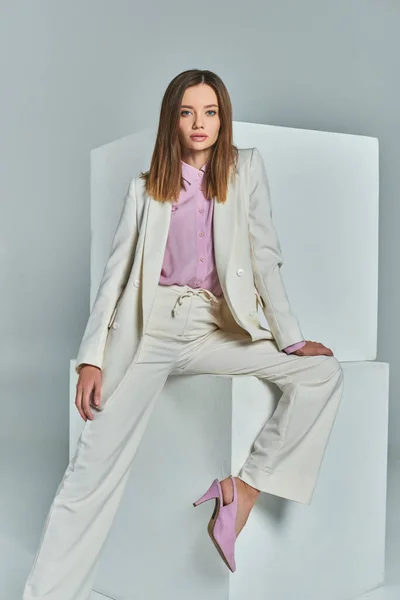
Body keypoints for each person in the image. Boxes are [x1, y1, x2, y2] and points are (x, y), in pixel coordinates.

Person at [23, 69, 344, 597]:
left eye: (211, 112)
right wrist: (92, 358)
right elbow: (117, 275)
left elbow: (265, 258)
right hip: (149, 332)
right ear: (172, 119)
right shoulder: (145, 188)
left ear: (224, 118)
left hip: (218, 327)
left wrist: (290, 338)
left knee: (322, 373)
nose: (200, 123)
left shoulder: (246, 170)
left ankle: (242, 490)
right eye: (188, 112)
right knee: (90, 471)